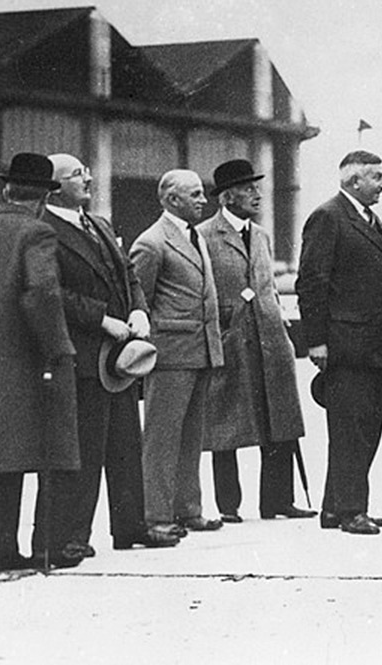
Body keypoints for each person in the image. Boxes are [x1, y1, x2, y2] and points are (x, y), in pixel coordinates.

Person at [0, 153, 82, 571]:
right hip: (33, 365)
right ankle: (46, 548)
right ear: (43, 197)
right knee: (49, 454)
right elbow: (41, 294)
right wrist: (59, 349)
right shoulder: (37, 234)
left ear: (7, 190)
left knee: (2, 464)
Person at [42, 154, 177, 555]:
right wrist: (103, 320)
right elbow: (55, 295)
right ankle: (71, 537)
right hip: (82, 355)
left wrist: (138, 308)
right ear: (54, 187)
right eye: (76, 175)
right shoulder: (44, 230)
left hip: (118, 359)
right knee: (84, 450)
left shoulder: (98, 224)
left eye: (86, 172)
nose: (87, 179)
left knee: (124, 445)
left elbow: (128, 276)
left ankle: (131, 527)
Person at [200, 160, 313, 524]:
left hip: (269, 337)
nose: (257, 194)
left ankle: (278, 501)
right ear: (227, 196)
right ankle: (228, 505)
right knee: (225, 423)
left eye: (256, 188)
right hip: (232, 338)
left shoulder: (261, 235)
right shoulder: (204, 235)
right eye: (249, 189)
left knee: (279, 418)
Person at [296, 151, 382, 536]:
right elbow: (312, 281)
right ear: (354, 181)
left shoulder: (369, 220)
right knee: (351, 430)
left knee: (364, 427)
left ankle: (334, 507)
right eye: (377, 177)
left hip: (373, 344)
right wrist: (316, 341)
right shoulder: (328, 217)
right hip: (345, 344)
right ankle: (352, 510)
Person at [131, 169, 225, 541]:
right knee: (162, 438)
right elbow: (140, 301)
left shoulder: (192, 236)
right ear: (172, 200)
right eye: (196, 195)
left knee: (190, 437)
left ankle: (189, 509)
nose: (204, 200)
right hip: (170, 354)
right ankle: (156, 515)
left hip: (199, 351)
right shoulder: (152, 243)